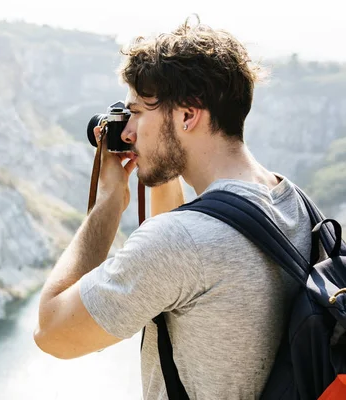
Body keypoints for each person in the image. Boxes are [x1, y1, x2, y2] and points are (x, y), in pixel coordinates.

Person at [34, 17, 313, 399]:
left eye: (138, 113)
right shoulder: (292, 202)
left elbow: (52, 332)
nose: (128, 132)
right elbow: (186, 255)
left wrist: (109, 203)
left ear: (187, 115)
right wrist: (159, 158)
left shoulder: (181, 244)